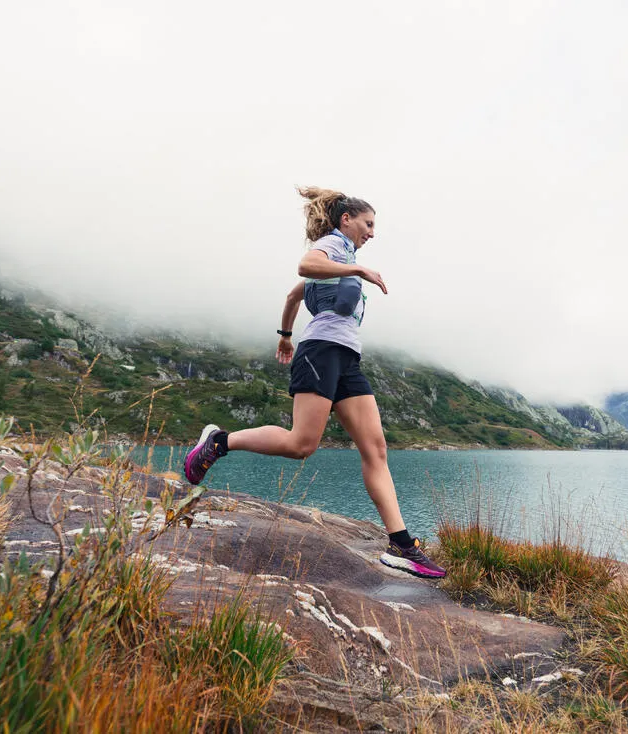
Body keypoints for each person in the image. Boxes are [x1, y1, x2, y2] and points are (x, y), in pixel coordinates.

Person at [184, 186, 446, 579]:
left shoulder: (344, 255)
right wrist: (356, 270)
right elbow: (304, 267)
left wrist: (285, 333)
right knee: (301, 444)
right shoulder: (334, 245)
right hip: (321, 351)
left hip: (346, 359)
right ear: (347, 220)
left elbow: (294, 295)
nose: (372, 233)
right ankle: (219, 442)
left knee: (375, 449)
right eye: (368, 223)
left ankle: (402, 545)